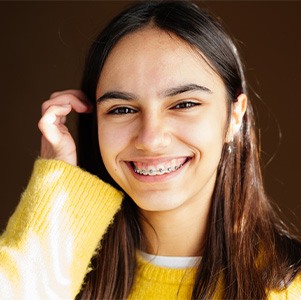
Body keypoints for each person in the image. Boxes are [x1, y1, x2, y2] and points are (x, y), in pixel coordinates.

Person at [0, 1, 300, 299]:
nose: (150, 139)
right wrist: (56, 189)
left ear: (235, 115)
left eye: (184, 104)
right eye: (122, 109)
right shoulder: (57, 274)